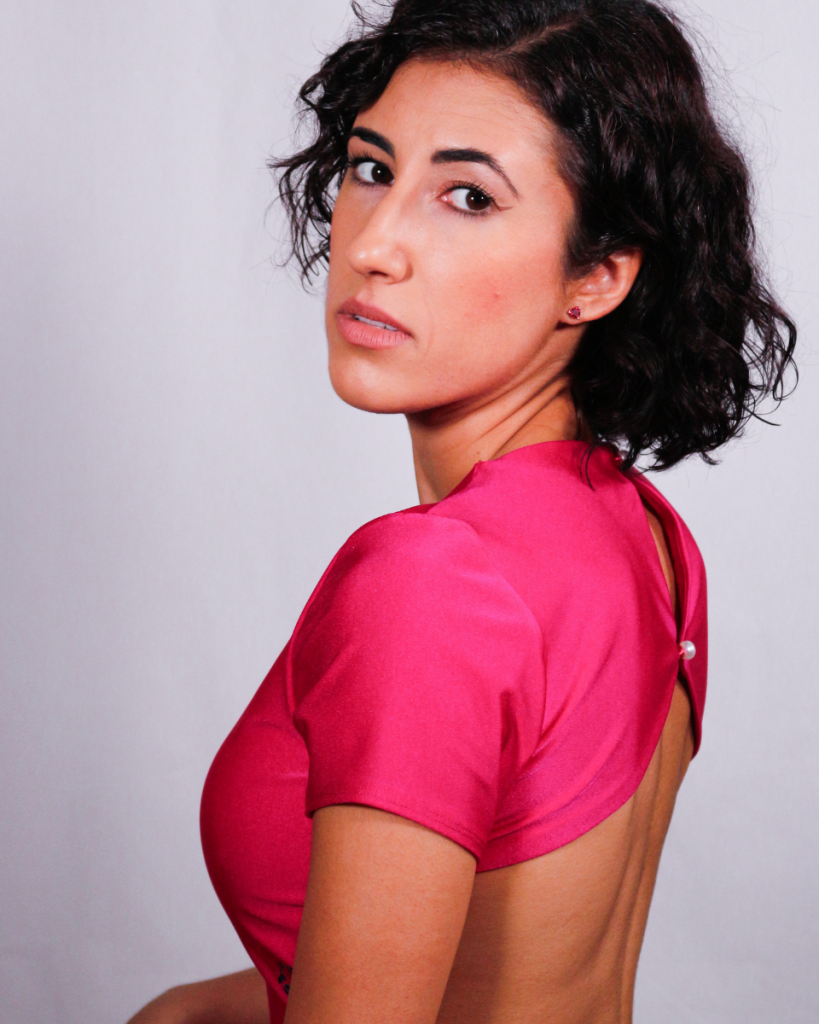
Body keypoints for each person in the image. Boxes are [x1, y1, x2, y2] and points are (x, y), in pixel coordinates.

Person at [127, 1, 796, 1021]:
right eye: (371, 168)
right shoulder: (647, 536)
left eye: (469, 197)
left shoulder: (433, 582)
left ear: (597, 277)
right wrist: (192, 1010)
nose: (376, 244)